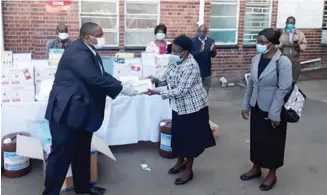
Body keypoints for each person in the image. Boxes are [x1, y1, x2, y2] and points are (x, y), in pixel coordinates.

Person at [42, 22, 137, 195]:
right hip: (66, 112)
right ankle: (50, 192)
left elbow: (100, 74)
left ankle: (83, 187)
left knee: (81, 151)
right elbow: (95, 79)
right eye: (99, 35)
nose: (102, 38)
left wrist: (121, 83)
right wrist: (122, 88)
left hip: (80, 110)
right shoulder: (78, 52)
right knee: (61, 156)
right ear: (87, 36)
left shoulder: (88, 49)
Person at [147, 35, 216, 185]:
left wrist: (157, 92)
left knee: (189, 140)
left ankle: (188, 170)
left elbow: (180, 91)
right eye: (173, 51)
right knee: (178, 136)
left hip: (193, 107)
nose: (174, 54)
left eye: (177, 51)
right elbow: (166, 77)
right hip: (178, 107)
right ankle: (180, 161)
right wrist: (156, 80)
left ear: (186, 51)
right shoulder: (174, 60)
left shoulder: (191, 65)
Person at [241, 28, 293, 191]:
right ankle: (256, 167)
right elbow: (251, 83)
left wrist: (274, 113)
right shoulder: (256, 58)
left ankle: (272, 173)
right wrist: (246, 104)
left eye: (262, 42)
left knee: (273, 142)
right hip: (257, 105)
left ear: (273, 44)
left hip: (274, 109)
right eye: (257, 41)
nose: (258, 45)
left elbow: (283, 89)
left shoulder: (283, 62)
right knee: (257, 138)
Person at [277, 16, 307, 82]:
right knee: (282, 80)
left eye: (292, 23)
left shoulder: (299, 33)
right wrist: (280, 44)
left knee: (294, 80)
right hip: (283, 59)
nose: (290, 25)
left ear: (295, 24)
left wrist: (298, 45)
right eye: (289, 23)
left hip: (295, 60)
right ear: (286, 23)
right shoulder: (280, 32)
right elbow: (274, 45)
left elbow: (304, 46)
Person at [191, 24, 217, 93]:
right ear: (197, 31)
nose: (201, 33)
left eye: (204, 31)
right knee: (196, 91)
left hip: (207, 71)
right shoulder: (193, 41)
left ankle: (204, 103)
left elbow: (213, 55)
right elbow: (191, 55)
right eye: (200, 31)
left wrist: (212, 50)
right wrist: (200, 51)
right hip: (196, 71)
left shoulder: (211, 41)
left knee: (206, 90)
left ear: (206, 32)